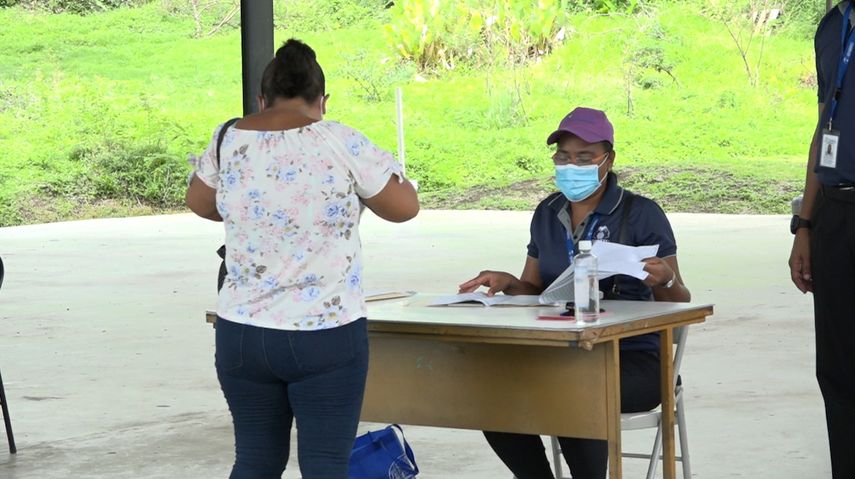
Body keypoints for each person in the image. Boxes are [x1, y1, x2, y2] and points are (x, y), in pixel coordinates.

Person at [185, 38, 419, 479]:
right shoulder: (341, 140)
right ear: (322, 101)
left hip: (241, 335)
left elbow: (201, 202)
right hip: (324, 335)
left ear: (261, 99)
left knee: (254, 461)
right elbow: (404, 209)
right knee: (325, 465)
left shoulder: (228, 137)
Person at [458, 107, 690, 479]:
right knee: (495, 397)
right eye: (564, 156)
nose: (572, 165)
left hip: (634, 360)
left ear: (608, 160)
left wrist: (663, 280)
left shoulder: (640, 214)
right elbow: (534, 291)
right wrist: (508, 283)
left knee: (571, 393)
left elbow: (680, 303)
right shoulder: (547, 212)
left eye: (584, 157)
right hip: (561, 353)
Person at [788, 2, 855, 477]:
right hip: (834, 212)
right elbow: (822, 127)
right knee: (837, 372)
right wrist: (805, 224)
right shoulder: (833, 27)